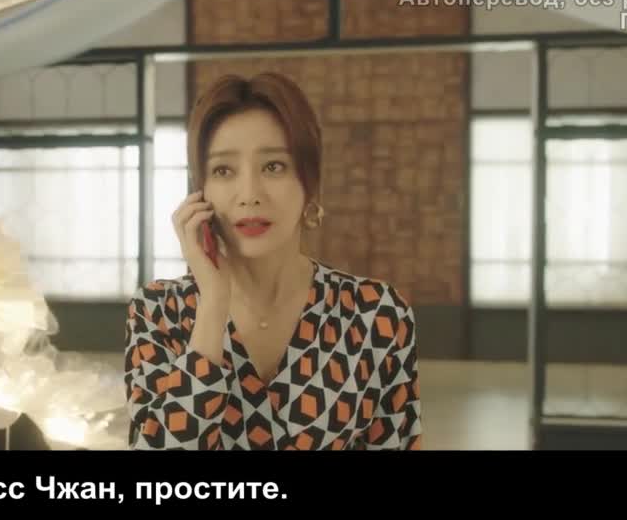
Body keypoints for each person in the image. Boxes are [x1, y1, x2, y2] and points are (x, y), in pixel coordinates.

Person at [122, 72, 421, 450]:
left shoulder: (376, 314)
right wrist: (213, 302)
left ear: (309, 183)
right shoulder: (157, 312)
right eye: (223, 170)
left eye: (274, 166)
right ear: (200, 192)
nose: (249, 194)